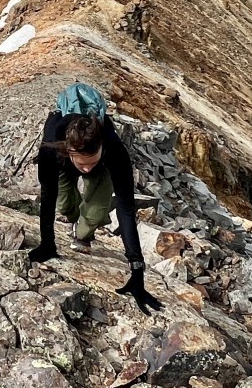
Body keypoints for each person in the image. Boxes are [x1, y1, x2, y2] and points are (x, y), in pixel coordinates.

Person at [27, 84, 163, 314]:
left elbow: (126, 208)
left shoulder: (114, 149)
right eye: (82, 163)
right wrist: (47, 243)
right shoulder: (51, 147)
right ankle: (73, 218)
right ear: (69, 151)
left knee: (96, 212)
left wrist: (137, 270)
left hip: (103, 166)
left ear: (101, 146)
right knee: (63, 204)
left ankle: (83, 233)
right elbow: (47, 196)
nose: (86, 169)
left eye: (91, 161)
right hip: (63, 163)